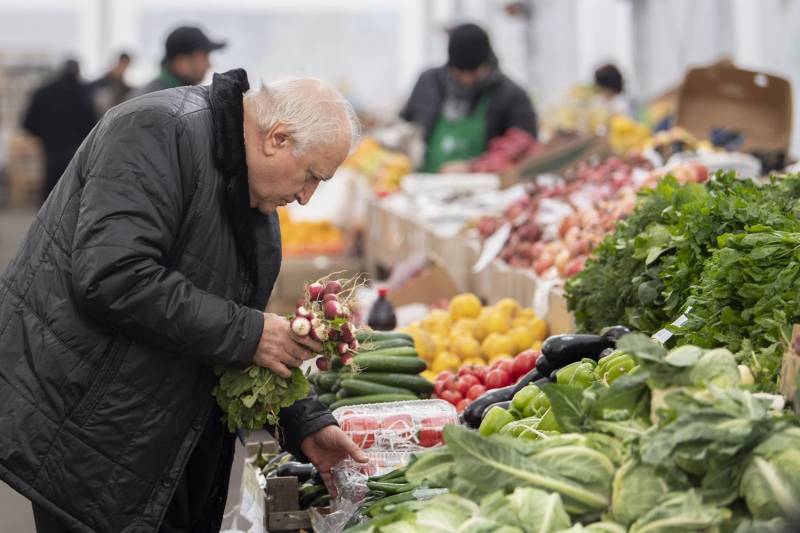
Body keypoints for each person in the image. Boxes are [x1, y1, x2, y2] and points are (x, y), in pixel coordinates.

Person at [0, 69, 366, 532]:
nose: (309, 198)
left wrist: (305, 422)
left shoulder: (252, 196)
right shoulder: (156, 131)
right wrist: (251, 332)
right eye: (313, 176)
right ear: (277, 138)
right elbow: (113, 277)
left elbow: (226, 323)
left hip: (157, 427)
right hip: (91, 430)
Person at [400, 23, 537, 173]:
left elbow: (527, 147)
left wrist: (474, 166)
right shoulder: (428, 83)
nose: (467, 79)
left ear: (487, 63)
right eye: (460, 73)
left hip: (487, 190)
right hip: (423, 186)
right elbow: (405, 123)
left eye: (474, 73)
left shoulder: (511, 95)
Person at [22, 59, 96, 204]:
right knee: (74, 194)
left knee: (49, 195)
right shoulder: (84, 94)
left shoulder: (43, 92)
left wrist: (45, 136)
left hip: (51, 150)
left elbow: (27, 124)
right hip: (76, 151)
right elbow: (93, 125)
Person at [133, 25, 226, 97]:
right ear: (182, 63)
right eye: (204, 57)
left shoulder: (172, 94)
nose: (209, 65)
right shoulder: (160, 102)